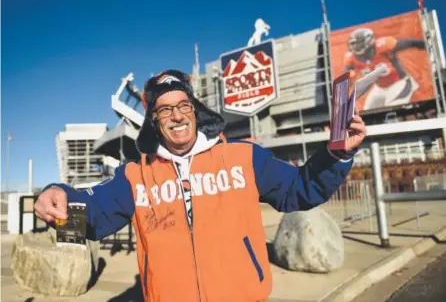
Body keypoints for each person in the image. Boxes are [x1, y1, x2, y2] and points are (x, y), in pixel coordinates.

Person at [35, 69, 367, 302]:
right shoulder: (134, 175)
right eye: (164, 109)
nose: (176, 116)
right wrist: (59, 201)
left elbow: (301, 189)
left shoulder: (244, 158)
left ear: (196, 112)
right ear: (154, 122)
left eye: (183, 106)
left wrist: (337, 156)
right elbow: (93, 214)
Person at [344, 28, 426, 110]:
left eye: (357, 43)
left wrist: (427, 45)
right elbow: (345, 79)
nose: (355, 47)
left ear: (368, 41)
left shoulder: (384, 45)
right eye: (353, 44)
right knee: (367, 113)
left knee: (394, 109)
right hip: (379, 88)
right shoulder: (351, 58)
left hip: (399, 83)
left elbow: (410, 42)